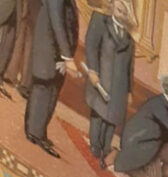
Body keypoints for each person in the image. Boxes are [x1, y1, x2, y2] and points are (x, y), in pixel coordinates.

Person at [23, 0, 79, 158]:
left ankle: (39, 131)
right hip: (49, 46)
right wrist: (67, 56)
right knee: (44, 87)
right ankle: (35, 132)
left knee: (51, 88)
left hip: (55, 48)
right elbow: (57, 21)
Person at [83, 0, 134, 167]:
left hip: (119, 85)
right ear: (112, 7)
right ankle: (95, 144)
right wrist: (93, 70)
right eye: (119, 9)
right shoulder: (100, 21)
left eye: (125, 12)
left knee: (112, 117)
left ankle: (106, 147)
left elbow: (130, 68)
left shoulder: (129, 39)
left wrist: (129, 91)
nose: (121, 14)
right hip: (102, 77)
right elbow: (91, 46)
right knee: (98, 112)